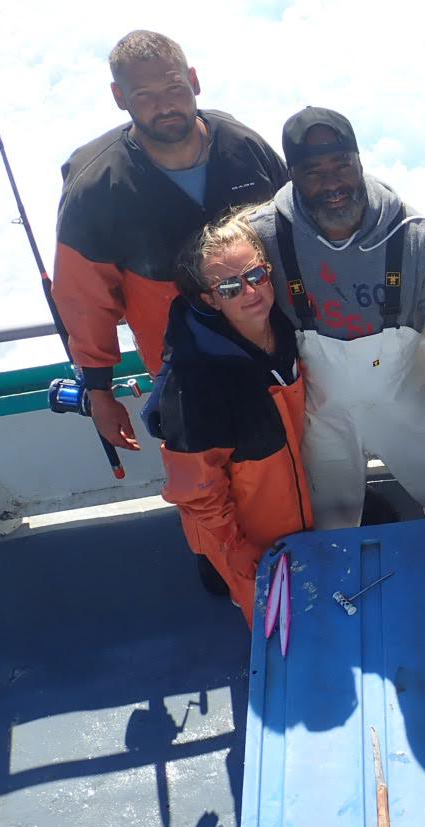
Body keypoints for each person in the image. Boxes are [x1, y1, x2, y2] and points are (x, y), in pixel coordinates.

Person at [52, 29, 288, 455]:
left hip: (277, 349)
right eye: (144, 95)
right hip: (186, 373)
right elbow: (83, 299)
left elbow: (296, 240)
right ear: (118, 96)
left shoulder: (244, 146)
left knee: (294, 464)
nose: (164, 106)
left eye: (174, 87)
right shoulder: (96, 187)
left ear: (194, 80)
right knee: (208, 491)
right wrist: (100, 392)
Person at [250, 107, 425, 529]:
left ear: (360, 160)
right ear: (292, 174)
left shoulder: (414, 236)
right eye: (314, 171)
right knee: (329, 527)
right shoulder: (264, 237)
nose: (333, 182)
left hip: (408, 401)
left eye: (342, 165)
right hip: (321, 414)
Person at [145, 210, 312, 624]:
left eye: (256, 275)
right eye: (231, 287)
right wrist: (237, 553)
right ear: (209, 299)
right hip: (242, 535)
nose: (251, 292)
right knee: (274, 634)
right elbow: (197, 489)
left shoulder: (285, 328)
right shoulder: (196, 379)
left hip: (295, 514)